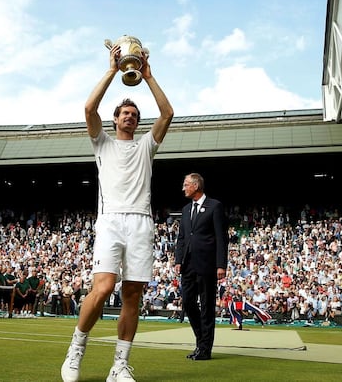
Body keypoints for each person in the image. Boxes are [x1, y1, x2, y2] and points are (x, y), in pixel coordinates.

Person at [61, 42, 173, 382]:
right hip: (111, 222)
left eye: (135, 115)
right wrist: (112, 70)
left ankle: (119, 366)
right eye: (125, 113)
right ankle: (75, 351)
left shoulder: (146, 146)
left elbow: (167, 114)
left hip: (141, 222)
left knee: (132, 294)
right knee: (103, 287)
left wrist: (149, 77)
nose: (130, 116)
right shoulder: (102, 142)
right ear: (115, 119)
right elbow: (88, 107)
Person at [175, 173, 229, 359]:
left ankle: (205, 349)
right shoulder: (185, 210)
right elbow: (182, 237)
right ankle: (201, 341)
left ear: (196, 186)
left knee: (207, 307)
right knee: (188, 303)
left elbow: (222, 238)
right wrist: (178, 260)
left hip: (207, 264)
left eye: (186, 184)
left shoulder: (214, 206)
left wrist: (221, 264)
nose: (183, 188)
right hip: (188, 264)